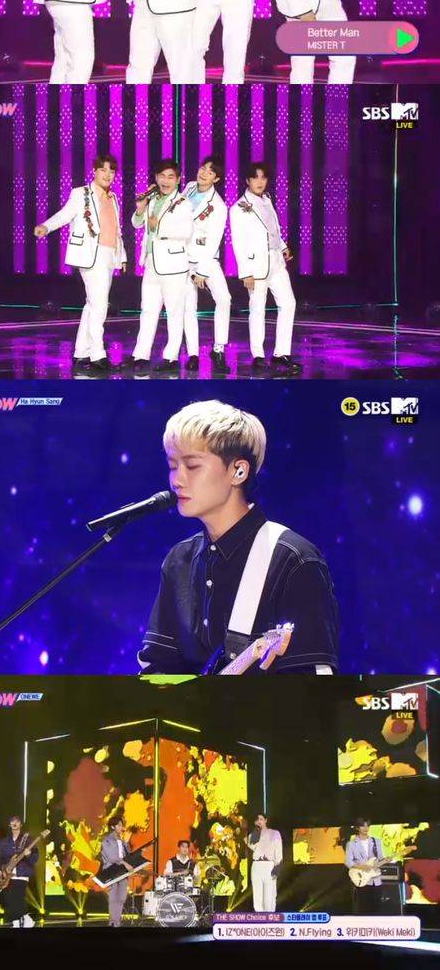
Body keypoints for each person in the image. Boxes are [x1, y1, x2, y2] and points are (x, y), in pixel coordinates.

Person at [137, 400, 339, 674]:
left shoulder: (294, 561)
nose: (176, 480)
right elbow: (158, 667)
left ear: (239, 471)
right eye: (173, 466)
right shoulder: (178, 560)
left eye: (192, 466)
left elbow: (311, 685)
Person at [34, 153, 126, 371]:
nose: (107, 175)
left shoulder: (113, 198)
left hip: (109, 254)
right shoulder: (81, 193)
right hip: (89, 254)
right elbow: (65, 214)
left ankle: (80, 353)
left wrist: (122, 256)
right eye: (103, 170)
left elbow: (116, 230)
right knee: (100, 305)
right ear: (94, 171)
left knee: (92, 305)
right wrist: (46, 226)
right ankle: (98, 355)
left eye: (111, 171)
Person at [230, 163, 300, 375]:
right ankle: (258, 356)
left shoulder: (267, 199)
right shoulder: (238, 208)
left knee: (288, 304)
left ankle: (281, 353)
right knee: (257, 309)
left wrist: (284, 247)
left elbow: (274, 230)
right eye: (255, 177)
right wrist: (245, 272)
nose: (260, 182)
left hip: (276, 261)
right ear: (247, 181)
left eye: (263, 177)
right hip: (256, 265)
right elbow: (238, 242)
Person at [131, 159, 194, 372]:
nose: (165, 181)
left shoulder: (183, 203)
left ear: (178, 180)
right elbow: (136, 224)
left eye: (170, 177)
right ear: (156, 178)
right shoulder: (152, 198)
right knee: (148, 310)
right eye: (161, 176)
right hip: (151, 262)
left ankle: (171, 357)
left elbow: (187, 232)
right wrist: (140, 209)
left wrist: (159, 226)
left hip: (173, 263)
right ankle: (141, 355)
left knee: (174, 312)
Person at [182, 157, 230, 375]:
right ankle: (193, 354)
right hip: (182, 256)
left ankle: (218, 349)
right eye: (203, 168)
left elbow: (214, 240)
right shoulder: (189, 187)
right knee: (188, 307)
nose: (203, 173)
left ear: (216, 179)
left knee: (224, 299)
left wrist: (202, 270)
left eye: (210, 172)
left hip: (206, 258)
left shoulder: (218, 206)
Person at [0, 816, 38, 929]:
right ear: (9, 824)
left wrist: (29, 854)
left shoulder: (27, 840)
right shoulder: (4, 842)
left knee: (18, 898)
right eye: (12, 821)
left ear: (20, 824)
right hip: (7, 874)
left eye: (17, 821)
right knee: (10, 900)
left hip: (21, 873)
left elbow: (35, 859)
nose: (14, 823)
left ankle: (20, 922)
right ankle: (22, 921)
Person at [345, 819, 386, 915]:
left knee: (377, 910)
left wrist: (387, 860)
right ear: (357, 828)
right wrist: (361, 867)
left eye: (367, 826)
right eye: (363, 826)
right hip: (362, 880)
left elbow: (380, 858)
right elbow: (348, 862)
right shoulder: (351, 844)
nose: (366, 828)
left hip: (376, 880)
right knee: (364, 910)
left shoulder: (376, 841)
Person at [247, 813, 283, 912]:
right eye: (257, 820)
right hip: (257, 865)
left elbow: (278, 851)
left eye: (261, 819)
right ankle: (259, 916)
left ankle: (269, 916)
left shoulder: (275, 833)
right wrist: (257, 831)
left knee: (269, 894)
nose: (259, 821)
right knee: (257, 895)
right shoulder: (253, 835)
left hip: (269, 865)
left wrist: (277, 867)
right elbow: (252, 846)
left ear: (266, 820)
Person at [100, 819, 132, 928]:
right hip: (112, 869)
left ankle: (117, 921)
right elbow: (111, 857)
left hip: (123, 870)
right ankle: (113, 922)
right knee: (113, 896)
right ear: (113, 827)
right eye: (119, 825)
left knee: (122, 897)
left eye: (122, 825)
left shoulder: (121, 840)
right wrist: (124, 863)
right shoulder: (107, 840)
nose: (121, 827)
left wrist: (126, 843)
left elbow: (127, 854)